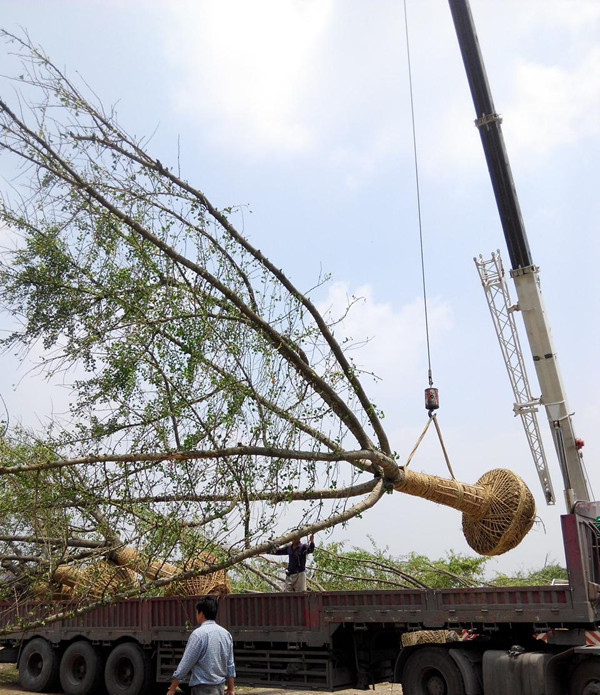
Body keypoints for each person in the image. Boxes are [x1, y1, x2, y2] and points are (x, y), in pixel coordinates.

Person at [167, 595, 235, 695]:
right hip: (219, 688)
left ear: (201, 613)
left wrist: (172, 688)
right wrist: (231, 688)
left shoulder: (198, 635)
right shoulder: (226, 634)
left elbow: (185, 664)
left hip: (202, 689)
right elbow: (230, 664)